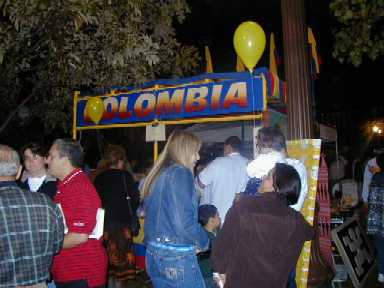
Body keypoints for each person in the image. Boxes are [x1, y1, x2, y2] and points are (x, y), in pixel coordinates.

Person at [211, 160, 313, 288]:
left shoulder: (244, 207)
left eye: (268, 176)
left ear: (277, 187)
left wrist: (219, 272)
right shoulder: (298, 221)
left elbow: (223, 246)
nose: (263, 177)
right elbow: (311, 233)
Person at [142, 130, 209, 288]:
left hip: (153, 253)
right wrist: (203, 241)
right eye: (195, 152)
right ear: (185, 151)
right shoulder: (181, 173)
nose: (198, 157)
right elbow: (183, 222)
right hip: (176, 256)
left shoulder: (157, 174)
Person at [0, 144, 64, 287]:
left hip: (42, 268)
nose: (31, 161)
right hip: (31, 272)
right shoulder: (21, 186)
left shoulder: (58, 185)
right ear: (20, 168)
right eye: (27, 158)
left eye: (35, 157)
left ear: (45, 159)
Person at [46, 139, 107, 288]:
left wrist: (45, 246)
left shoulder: (78, 187)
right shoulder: (66, 185)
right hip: (70, 272)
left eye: (51, 156)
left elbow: (79, 235)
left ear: (65, 159)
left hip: (81, 273)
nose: (47, 160)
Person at [94, 144, 140, 285]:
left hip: (105, 226)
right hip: (123, 226)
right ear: (120, 160)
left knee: (108, 261)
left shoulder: (99, 178)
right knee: (122, 263)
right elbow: (135, 199)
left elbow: (96, 201)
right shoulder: (126, 176)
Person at [245, 126, 308, 212]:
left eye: (260, 147)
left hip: (282, 219)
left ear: (268, 145)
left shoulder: (296, 167)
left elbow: (293, 205)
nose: (259, 152)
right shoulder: (265, 164)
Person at [198, 136, 249, 222]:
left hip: (219, 217)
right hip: (241, 217)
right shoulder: (249, 163)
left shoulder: (219, 162)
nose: (223, 151)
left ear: (228, 147)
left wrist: (201, 169)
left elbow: (201, 183)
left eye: (224, 148)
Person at [366, 152, 384, 283]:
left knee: (380, 246)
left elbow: (370, 200)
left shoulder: (376, 178)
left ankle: (382, 273)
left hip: (378, 220)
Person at [197, 204, 221, 288]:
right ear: (211, 220)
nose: (220, 218)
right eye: (218, 215)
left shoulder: (201, 234)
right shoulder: (210, 240)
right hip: (209, 278)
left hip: (201, 276)